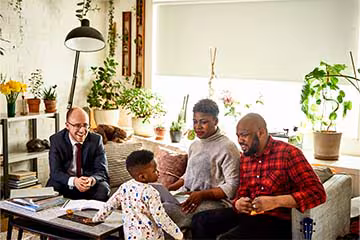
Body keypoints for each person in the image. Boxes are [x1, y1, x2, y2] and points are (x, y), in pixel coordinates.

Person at [191, 113, 326, 239]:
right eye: (238, 136)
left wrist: (275, 201)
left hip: (277, 221)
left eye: (244, 135)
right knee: (200, 221)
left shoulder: (289, 153)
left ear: (260, 133)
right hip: (250, 215)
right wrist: (238, 203)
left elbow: (317, 193)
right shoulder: (246, 158)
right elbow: (241, 192)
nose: (240, 140)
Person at [165, 99, 240, 231]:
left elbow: (232, 186)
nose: (198, 126)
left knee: (164, 213)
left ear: (215, 121)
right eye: (195, 121)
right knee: (156, 206)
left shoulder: (227, 147)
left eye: (203, 122)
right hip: (190, 196)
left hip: (215, 203)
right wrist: (169, 188)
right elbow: (189, 175)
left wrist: (202, 195)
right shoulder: (195, 145)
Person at [91, 150, 183, 240]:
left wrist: (96, 219)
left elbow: (109, 205)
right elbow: (161, 218)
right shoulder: (151, 192)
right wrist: (178, 235)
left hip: (130, 236)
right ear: (142, 177)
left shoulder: (125, 187)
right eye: (155, 170)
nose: (158, 173)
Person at [46, 107, 110, 201]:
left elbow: (102, 171)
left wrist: (91, 180)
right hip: (66, 183)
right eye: (77, 126)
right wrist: (74, 181)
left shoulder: (96, 140)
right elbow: (55, 172)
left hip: (88, 184)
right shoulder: (56, 140)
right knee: (52, 189)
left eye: (85, 125)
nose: (82, 130)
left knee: (103, 189)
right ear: (67, 126)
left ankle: (93, 215)